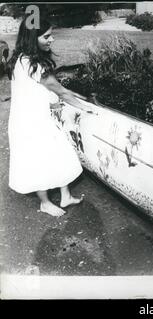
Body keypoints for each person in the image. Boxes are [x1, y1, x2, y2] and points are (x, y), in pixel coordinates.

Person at [7, 15, 93, 217]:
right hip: (33, 123)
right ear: (32, 38)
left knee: (60, 153)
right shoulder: (36, 66)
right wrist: (86, 108)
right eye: (46, 36)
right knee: (40, 160)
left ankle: (65, 196)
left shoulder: (18, 59)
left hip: (27, 119)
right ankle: (45, 202)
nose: (51, 40)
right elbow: (62, 92)